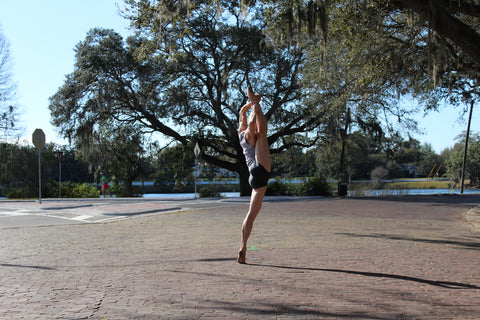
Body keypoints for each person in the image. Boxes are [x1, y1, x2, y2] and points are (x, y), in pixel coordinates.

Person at [237, 86, 271, 264]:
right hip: (260, 168)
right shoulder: (250, 135)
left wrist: (246, 107)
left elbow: (243, 119)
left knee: (250, 215)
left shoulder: (240, 135)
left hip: (254, 176)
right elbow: (250, 123)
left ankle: (243, 246)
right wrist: (254, 104)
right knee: (262, 135)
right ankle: (257, 102)